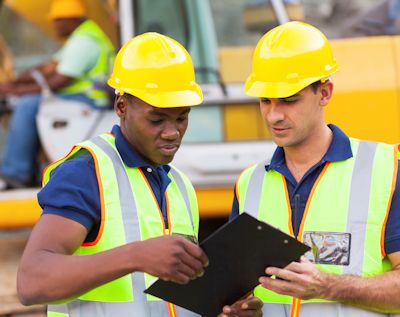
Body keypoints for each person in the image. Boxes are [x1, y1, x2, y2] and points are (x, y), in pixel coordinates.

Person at [16, 32, 263, 317]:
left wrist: (223, 311)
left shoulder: (179, 186)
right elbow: (31, 282)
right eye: (156, 119)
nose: (172, 132)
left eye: (182, 117)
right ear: (121, 107)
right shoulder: (87, 172)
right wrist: (135, 256)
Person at [231, 21, 400, 316]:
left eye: (288, 100)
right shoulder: (249, 183)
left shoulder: (386, 169)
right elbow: (242, 289)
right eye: (265, 101)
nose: (274, 115)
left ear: (324, 93)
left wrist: (326, 286)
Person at [0, 0, 115, 189]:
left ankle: (16, 172)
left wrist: (15, 91)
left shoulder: (85, 41)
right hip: (80, 97)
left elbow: (59, 81)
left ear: (70, 19)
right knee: (29, 102)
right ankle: (30, 171)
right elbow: (48, 67)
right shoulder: (81, 36)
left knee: (28, 104)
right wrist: (12, 83)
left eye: (58, 20)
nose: (55, 25)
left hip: (89, 100)